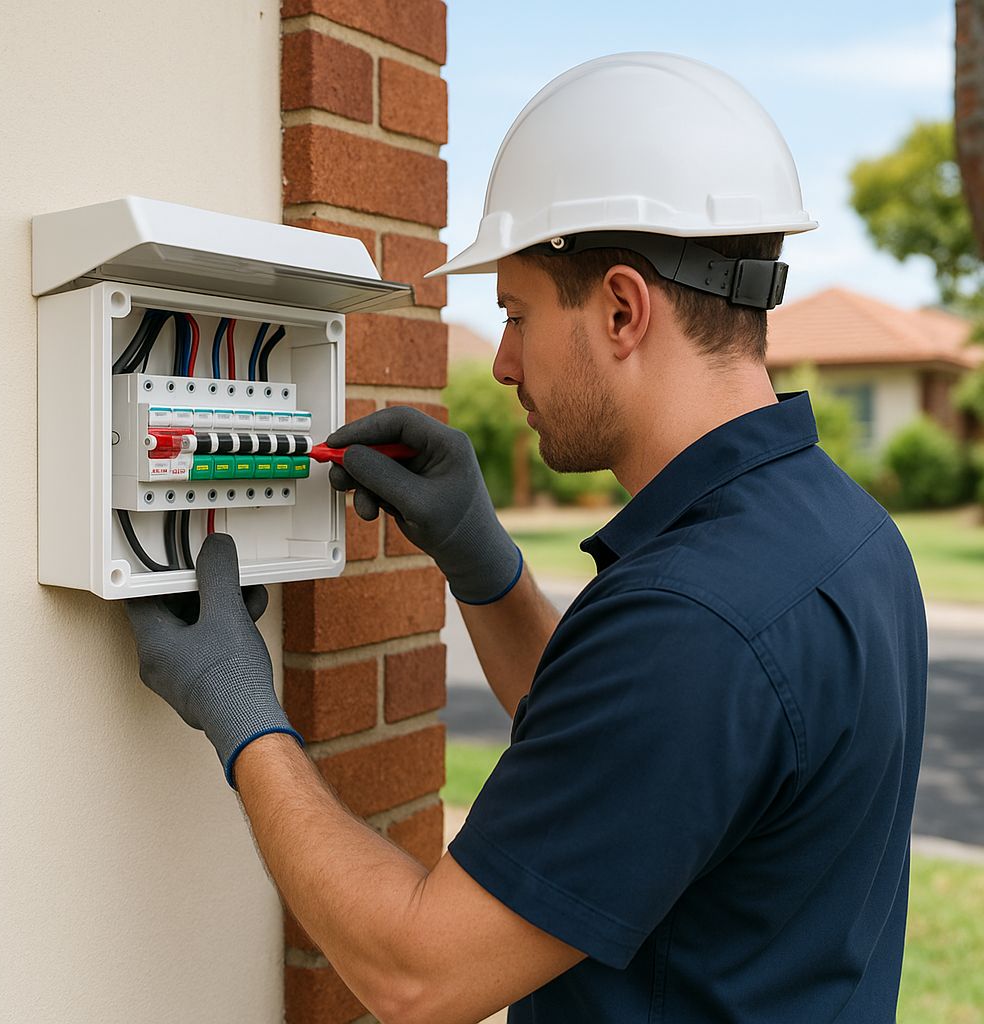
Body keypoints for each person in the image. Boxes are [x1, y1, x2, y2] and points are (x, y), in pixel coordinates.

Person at [125, 53, 927, 1023]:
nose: (500, 361)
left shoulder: (696, 615)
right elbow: (638, 756)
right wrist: (483, 564)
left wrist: (239, 706)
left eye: (514, 313)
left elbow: (416, 974)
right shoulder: (845, 533)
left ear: (623, 309)